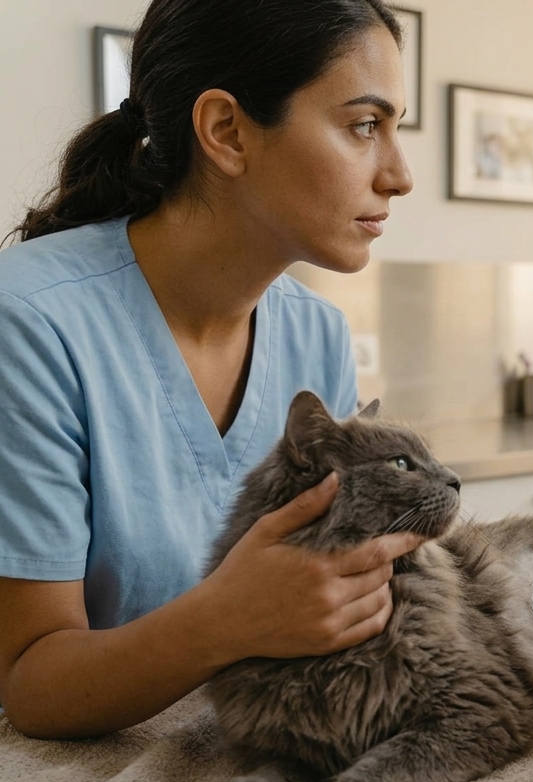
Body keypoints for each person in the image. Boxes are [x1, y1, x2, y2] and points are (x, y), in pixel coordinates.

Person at [0, 0, 419, 740]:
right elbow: (29, 685)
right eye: (364, 126)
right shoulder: (28, 321)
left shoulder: (318, 337)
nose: (400, 175)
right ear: (227, 131)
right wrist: (225, 620)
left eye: (396, 129)